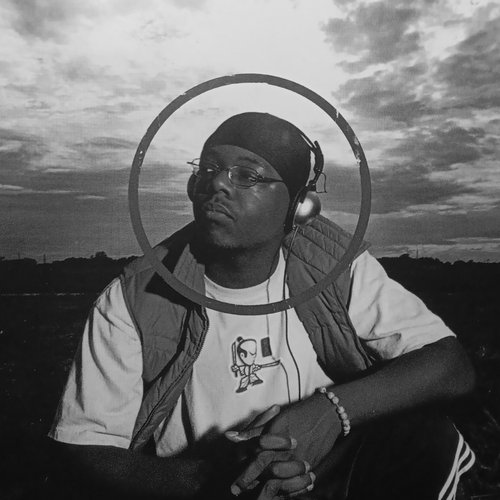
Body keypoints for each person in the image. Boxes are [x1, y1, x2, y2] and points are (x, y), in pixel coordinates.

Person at [49, 112, 476, 500]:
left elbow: (450, 365)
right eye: (209, 170)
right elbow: (83, 449)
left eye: (247, 175)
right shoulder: (134, 295)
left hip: (323, 475)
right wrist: (211, 480)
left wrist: (331, 411)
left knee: (425, 436)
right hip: (205, 488)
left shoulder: (335, 265)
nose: (218, 184)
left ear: (299, 206)